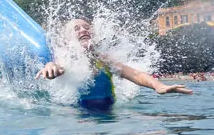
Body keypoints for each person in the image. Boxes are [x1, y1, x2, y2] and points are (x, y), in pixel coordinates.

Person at [36, 17, 192, 96]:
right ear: (67, 38)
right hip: (77, 120)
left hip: (110, 118)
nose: (83, 30)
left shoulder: (104, 60)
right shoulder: (68, 61)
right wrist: (50, 67)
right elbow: (57, 67)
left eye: (86, 27)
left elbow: (136, 74)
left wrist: (158, 86)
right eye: (76, 29)